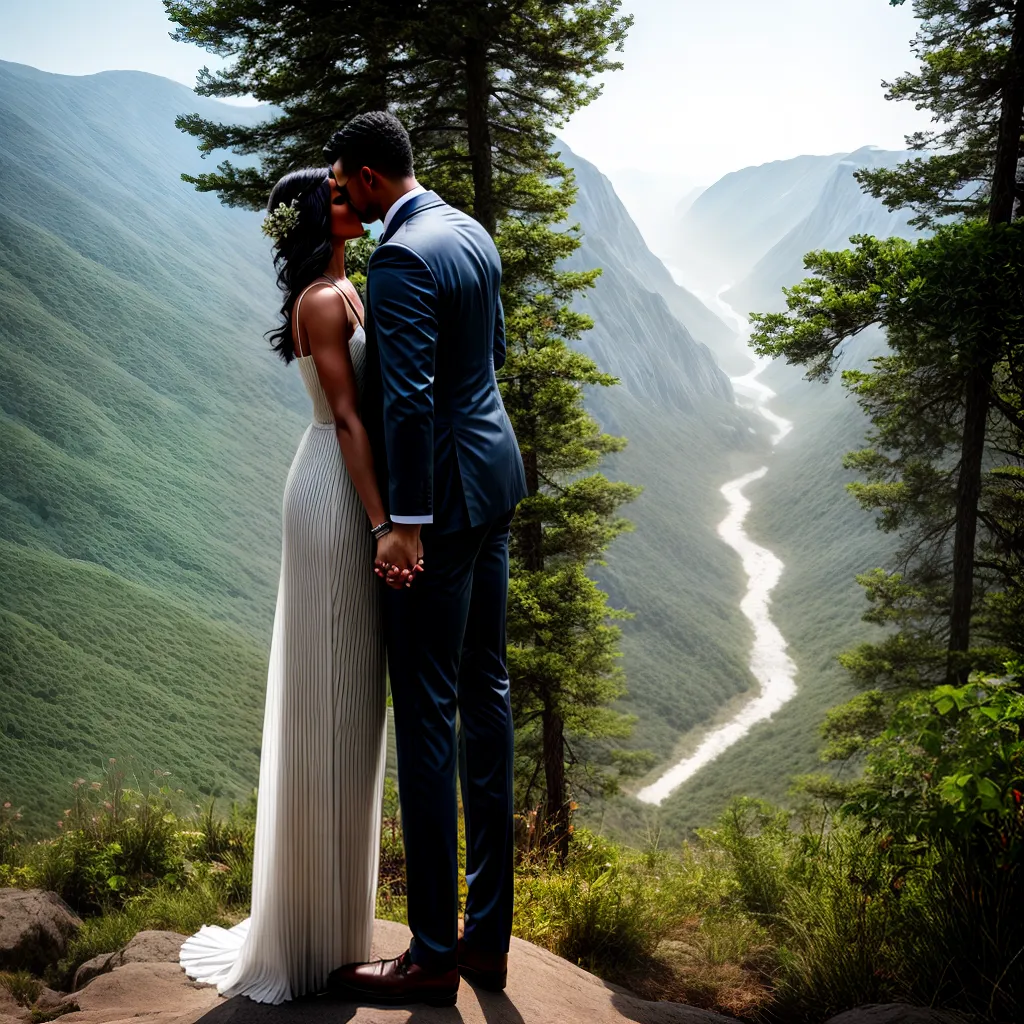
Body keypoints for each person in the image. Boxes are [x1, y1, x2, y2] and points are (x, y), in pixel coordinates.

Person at [178, 165, 408, 1004]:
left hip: (356, 488)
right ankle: (304, 936)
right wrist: (384, 522)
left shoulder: (350, 283)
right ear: (319, 217)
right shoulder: (320, 299)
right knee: (325, 695)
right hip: (332, 495)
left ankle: (335, 923)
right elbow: (348, 417)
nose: (357, 202)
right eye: (341, 198)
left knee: (352, 705)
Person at [325, 111, 527, 1009]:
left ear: (370, 176)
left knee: (428, 718)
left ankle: (432, 953)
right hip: (492, 481)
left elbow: (407, 399)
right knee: (487, 698)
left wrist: (403, 523)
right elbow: (482, 360)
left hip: (437, 511)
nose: (346, 197)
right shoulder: (467, 231)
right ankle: (486, 940)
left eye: (346, 181)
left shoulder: (402, 259)